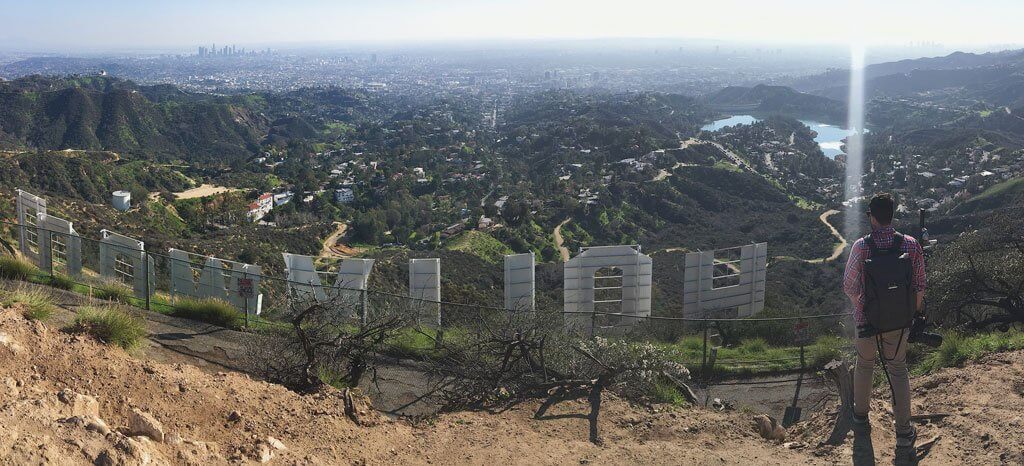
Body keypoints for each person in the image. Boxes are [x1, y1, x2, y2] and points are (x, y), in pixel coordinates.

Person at [842, 193, 926, 448]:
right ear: (892, 215)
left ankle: (860, 418)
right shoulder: (911, 245)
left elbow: (849, 286)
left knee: (865, 366)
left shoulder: (861, 246)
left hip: (867, 322)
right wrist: (910, 313)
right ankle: (903, 433)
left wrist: (863, 309)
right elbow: (920, 286)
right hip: (899, 323)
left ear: (872, 217)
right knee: (898, 370)